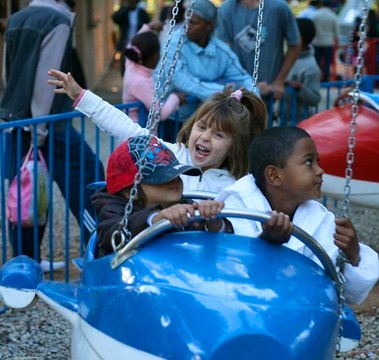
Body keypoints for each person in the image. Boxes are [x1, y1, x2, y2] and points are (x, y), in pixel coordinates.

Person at [216, 126, 379, 304]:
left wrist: (353, 254)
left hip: (298, 314)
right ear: (274, 176)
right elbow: (230, 271)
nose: (320, 171)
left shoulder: (320, 220)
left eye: (318, 162)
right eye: (309, 162)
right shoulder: (237, 207)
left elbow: (350, 294)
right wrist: (266, 243)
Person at [0, 0, 105, 272]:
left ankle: (25, 264)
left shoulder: (17, 18)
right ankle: (98, 254)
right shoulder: (57, 21)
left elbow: (7, 72)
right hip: (47, 124)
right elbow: (48, 79)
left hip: (18, 119)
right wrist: (41, 130)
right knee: (87, 174)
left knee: (25, 189)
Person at [48, 69, 267, 193]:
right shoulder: (169, 155)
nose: (205, 137)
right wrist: (82, 97)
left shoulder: (236, 185)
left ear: (233, 147)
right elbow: (125, 129)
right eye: (201, 127)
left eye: (218, 135)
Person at [92, 135, 230, 257]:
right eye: (163, 178)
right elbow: (113, 236)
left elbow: (212, 247)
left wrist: (212, 221)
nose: (175, 180)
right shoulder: (111, 209)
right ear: (130, 191)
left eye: (176, 174)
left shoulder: (183, 205)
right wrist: (159, 218)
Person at [158, 0, 255, 124]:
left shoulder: (221, 51)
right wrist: (221, 92)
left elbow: (243, 78)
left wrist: (252, 97)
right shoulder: (173, 43)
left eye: (192, 22)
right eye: (185, 20)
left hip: (201, 120)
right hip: (170, 119)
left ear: (209, 25)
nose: (186, 26)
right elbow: (179, 79)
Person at [216, 0, 301, 102]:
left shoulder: (279, 7)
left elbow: (295, 44)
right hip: (238, 93)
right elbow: (223, 51)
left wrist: (279, 80)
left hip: (269, 92)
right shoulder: (226, 8)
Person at [122, 28, 183, 127]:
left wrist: (147, 27)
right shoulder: (141, 82)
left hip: (132, 129)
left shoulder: (131, 65)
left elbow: (131, 46)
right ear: (155, 56)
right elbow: (160, 113)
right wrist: (175, 98)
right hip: (139, 135)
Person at [282, 18, 321, 123]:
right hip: (281, 118)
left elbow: (315, 99)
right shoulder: (285, 57)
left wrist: (299, 87)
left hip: (299, 122)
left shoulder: (310, 66)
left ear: (300, 38)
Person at [112, 0, 151, 75]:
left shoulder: (141, 12)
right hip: (126, 43)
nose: (132, 2)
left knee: (137, 65)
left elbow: (148, 24)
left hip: (138, 44)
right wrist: (126, 9)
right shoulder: (125, 11)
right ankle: (125, 82)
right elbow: (115, 18)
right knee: (125, 65)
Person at [311, 0, 339, 82]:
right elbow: (336, 32)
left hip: (316, 42)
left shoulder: (315, 14)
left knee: (317, 62)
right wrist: (338, 42)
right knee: (327, 62)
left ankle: (316, 79)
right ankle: (326, 79)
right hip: (328, 43)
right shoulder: (332, 15)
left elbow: (312, 28)